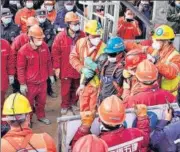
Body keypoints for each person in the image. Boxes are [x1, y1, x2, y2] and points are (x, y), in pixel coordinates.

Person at [71, 95, 150, 151]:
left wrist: (85, 126)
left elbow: (76, 149)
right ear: (123, 118)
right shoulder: (135, 134)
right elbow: (145, 139)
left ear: (100, 119)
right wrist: (142, 117)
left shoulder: (97, 144)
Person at [125, 25, 180, 96]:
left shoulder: (176, 56)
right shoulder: (156, 51)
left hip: (169, 96)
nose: (154, 41)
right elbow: (140, 48)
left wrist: (155, 62)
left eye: (157, 40)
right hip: (155, 93)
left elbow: (172, 73)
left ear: (166, 42)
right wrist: (125, 44)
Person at [17, 25, 54, 125]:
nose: (40, 41)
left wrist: (51, 74)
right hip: (30, 84)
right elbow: (20, 69)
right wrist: (22, 83)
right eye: (38, 39)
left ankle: (41, 116)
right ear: (31, 38)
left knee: (41, 101)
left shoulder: (45, 46)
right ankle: (28, 120)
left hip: (42, 82)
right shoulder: (23, 51)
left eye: (41, 38)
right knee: (28, 103)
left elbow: (49, 62)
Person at [69, 20, 105, 117]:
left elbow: (105, 70)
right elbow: (72, 57)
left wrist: (96, 68)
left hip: (97, 85)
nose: (97, 38)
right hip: (84, 83)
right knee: (83, 109)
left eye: (99, 36)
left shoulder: (103, 48)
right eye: (94, 36)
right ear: (87, 34)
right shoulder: (80, 43)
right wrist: (81, 68)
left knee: (94, 111)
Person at [52, 12, 85, 114]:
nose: (76, 26)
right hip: (65, 67)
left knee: (76, 87)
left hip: (78, 68)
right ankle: (65, 105)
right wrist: (57, 68)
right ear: (68, 24)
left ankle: (73, 104)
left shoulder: (82, 35)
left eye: (77, 23)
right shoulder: (60, 37)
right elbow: (55, 53)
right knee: (65, 89)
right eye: (74, 24)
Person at [76, 37, 125, 103]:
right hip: (101, 97)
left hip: (116, 101)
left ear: (121, 53)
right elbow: (93, 71)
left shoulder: (126, 65)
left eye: (112, 54)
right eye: (108, 53)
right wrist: (83, 84)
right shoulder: (103, 58)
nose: (109, 56)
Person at [11, 16, 39, 93]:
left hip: (32, 69)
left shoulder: (38, 37)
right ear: (28, 28)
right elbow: (12, 55)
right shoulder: (19, 39)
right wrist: (14, 70)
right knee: (18, 91)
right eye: (33, 27)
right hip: (20, 68)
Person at [35, 9, 57, 98]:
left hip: (47, 51)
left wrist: (46, 47)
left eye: (43, 16)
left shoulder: (50, 25)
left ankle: (49, 90)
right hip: (35, 52)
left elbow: (53, 38)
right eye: (40, 17)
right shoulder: (33, 26)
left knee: (47, 72)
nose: (42, 18)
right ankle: (36, 93)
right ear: (36, 17)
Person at [1, 39, 16, 137]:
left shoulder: (4, 44)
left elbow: (10, 60)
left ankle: (3, 124)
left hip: (1, 81)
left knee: (2, 103)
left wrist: (11, 74)